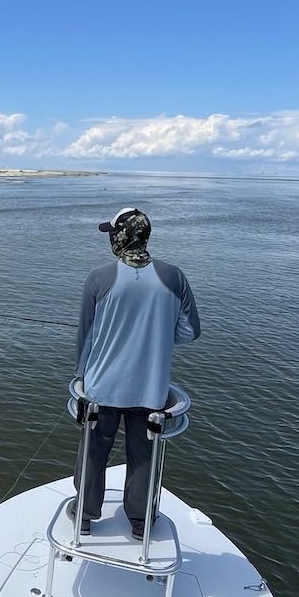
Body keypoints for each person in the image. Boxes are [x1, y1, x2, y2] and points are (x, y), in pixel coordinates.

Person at [70, 206, 200, 538]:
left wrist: (81, 380)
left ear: (119, 237)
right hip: (151, 389)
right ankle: (141, 522)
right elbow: (190, 331)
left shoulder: (99, 278)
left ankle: (85, 514)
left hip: (103, 388)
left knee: (95, 450)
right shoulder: (174, 277)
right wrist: (156, 335)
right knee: (143, 455)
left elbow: (85, 339)